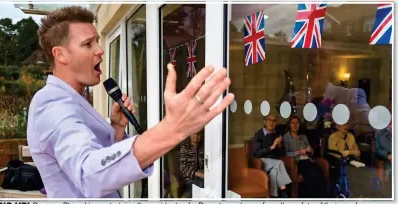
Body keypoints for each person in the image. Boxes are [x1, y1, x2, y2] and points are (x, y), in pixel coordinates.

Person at [27, 6, 234, 198]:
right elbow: (89, 174)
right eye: (88, 44)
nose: (100, 50)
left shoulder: (72, 98)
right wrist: (172, 128)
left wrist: (116, 129)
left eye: (97, 41)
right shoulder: (52, 103)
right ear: (61, 54)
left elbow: (100, 160)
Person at [283, 116, 326, 198]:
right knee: (310, 177)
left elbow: (312, 152)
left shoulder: (303, 137)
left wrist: (310, 150)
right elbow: (286, 154)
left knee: (319, 174)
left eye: (297, 123)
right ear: (289, 125)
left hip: (308, 160)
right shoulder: (286, 137)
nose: (295, 125)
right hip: (297, 162)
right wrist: (298, 152)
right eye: (293, 123)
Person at [252, 112, 291, 198]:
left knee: (274, 172)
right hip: (261, 161)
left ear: (276, 123)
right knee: (280, 163)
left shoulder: (276, 134)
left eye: (274, 121)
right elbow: (256, 153)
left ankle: (272, 198)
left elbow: (281, 154)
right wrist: (271, 147)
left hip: (273, 163)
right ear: (265, 122)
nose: (271, 123)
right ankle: (283, 190)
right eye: (269, 120)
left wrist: (280, 146)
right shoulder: (259, 134)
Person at [179, 130, 204, 197]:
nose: (196, 136)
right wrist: (198, 174)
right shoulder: (185, 148)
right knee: (200, 185)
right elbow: (183, 167)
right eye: (194, 134)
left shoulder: (204, 147)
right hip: (190, 178)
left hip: (204, 177)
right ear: (190, 135)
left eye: (198, 134)